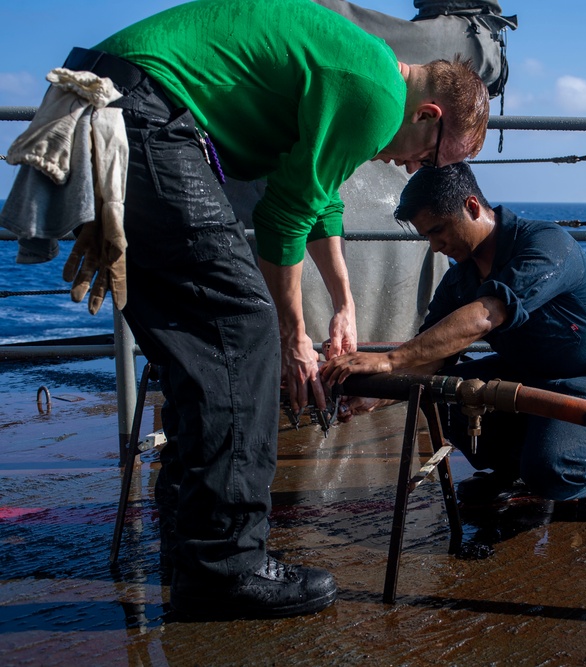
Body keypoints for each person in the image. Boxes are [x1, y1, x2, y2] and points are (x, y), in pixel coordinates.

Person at [19, 0, 489, 619]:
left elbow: (316, 201)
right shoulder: (375, 94)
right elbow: (281, 216)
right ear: (429, 116)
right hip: (146, 114)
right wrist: (295, 336)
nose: (408, 169)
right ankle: (226, 565)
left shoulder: (366, 70)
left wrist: (343, 306)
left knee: (195, 343)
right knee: (242, 332)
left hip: (120, 100)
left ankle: (192, 526)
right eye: (429, 160)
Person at [323, 162, 586, 521]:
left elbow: (488, 313)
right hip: (526, 376)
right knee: (442, 391)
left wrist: (389, 360)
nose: (435, 246)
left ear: (472, 207)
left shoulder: (545, 243)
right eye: (427, 236)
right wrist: (377, 392)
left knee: (554, 470)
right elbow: (433, 357)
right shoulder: (459, 279)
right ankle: (517, 470)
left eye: (438, 230)